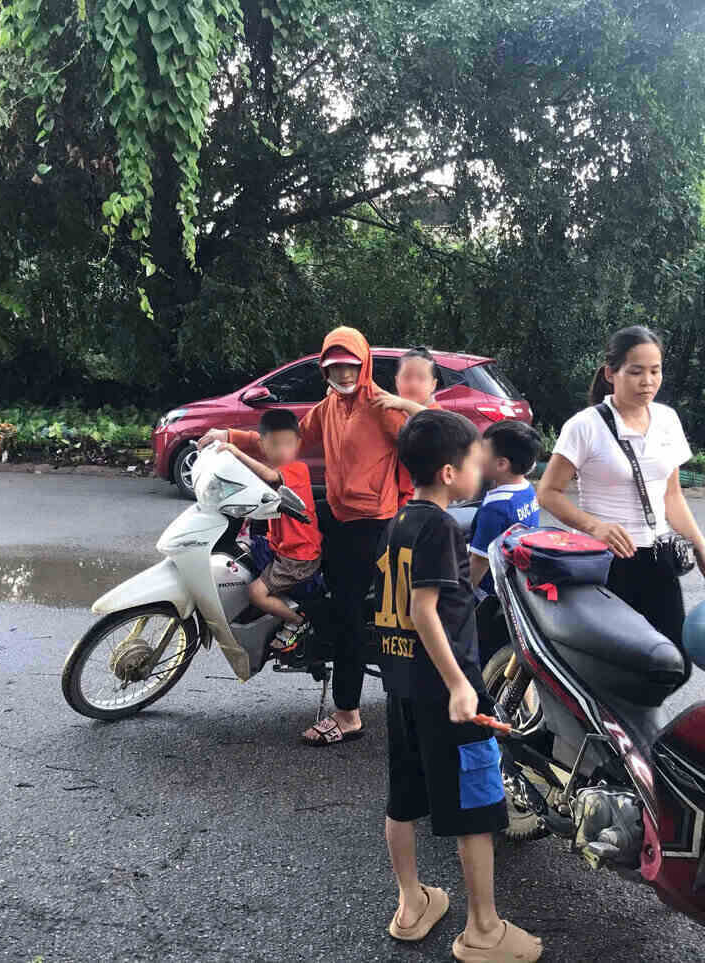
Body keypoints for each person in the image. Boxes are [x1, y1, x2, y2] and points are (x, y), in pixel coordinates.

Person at [375, 409, 543, 963]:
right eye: (473, 462)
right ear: (450, 473)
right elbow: (426, 611)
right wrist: (459, 685)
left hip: (402, 687)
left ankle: (411, 904)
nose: (480, 471)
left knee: (404, 799)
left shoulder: (399, 521)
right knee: (477, 805)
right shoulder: (444, 528)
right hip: (447, 692)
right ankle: (483, 930)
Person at [198, 326, 408, 746]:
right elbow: (285, 443)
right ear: (324, 370)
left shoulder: (382, 406)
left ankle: (348, 714)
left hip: (372, 519)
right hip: (342, 509)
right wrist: (228, 437)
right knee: (288, 526)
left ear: (363, 364)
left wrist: (412, 498)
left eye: (350, 366)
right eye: (335, 367)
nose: (344, 374)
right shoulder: (329, 407)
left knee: (347, 610)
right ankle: (307, 620)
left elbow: (423, 444)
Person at [537, 326, 705, 645]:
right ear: (611, 373)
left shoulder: (667, 420)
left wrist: (702, 549)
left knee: (673, 658)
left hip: (658, 557)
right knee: (617, 662)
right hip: (607, 561)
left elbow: (672, 495)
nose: (648, 381)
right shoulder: (585, 426)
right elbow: (548, 493)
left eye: (655, 371)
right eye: (636, 371)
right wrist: (595, 527)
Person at [214, 408, 323, 654]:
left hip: (298, 557)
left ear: (298, 444)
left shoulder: (297, 469)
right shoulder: (277, 468)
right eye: (275, 445)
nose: (282, 451)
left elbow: (269, 476)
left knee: (255, 593)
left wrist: (235, 451)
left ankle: (297, 622)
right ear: (263, 446)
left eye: (288, 444)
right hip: (279, 546)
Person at [467, 420, 541, 666]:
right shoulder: (526, 490)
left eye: (483, 451)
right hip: (515, 588)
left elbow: (477, 565)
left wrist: (454, 602)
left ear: (501, 464)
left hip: (487, 600)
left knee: (479, 661)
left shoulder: (496, 509)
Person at [373, 347, 443, 507]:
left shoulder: (434, 412)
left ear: (433, 384)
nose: (413, 383)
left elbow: (440, 421)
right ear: (397, 380)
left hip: (423, 500)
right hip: (394, 498)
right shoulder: (393, 408)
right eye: (406, 377)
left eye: (421, 378)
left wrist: (404, 403)